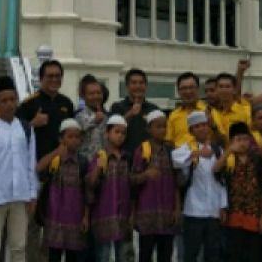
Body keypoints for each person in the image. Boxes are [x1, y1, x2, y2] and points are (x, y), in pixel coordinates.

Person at [0, 76, 39, 262]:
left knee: (19, 247)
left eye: (12, 99)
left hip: (20, 196)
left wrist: (32, 193)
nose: (10, 104)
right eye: (4, 101)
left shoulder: (26, 129)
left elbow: (30, 163)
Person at [16, 60, 75, 262]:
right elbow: (14, 135)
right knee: (32, 226)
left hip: (61, 175)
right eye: (49, 76)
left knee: (54, 225)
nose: (54, 79)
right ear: (41, 78)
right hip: (35, 174)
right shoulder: (28, 104)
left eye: (58, 76)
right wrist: (32, 123)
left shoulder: (67, 104)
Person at [170, 111, 226, 262]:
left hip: (213, 210)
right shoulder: (187, 148)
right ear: (191, 131)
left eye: (204, 125)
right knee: (191, 253)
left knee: (212, 253)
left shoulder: (218, 150)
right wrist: (198, 153)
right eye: (197, 127)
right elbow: (176, 160)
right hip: (193, 210)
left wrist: (223, 206)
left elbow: (222, 181)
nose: (201, 129)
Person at [37, 119, 89, 262]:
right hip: (54, 217)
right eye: (70, 136)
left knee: (73, 256)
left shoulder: (83, 162)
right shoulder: (54, 160)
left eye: (77, 137)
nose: (74, 140)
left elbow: (87, 192)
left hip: (75, 218)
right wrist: (56, 153)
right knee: (54, 255)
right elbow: (38, 167)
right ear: (61, 138)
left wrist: (86, 216)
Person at [130, 110, 178, 262]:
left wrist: (177, 208)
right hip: (147, 215)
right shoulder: (142, 150)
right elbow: (132, 181)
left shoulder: (172, 150)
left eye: (164, 126)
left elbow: (177, 182)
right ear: (148, 129)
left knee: (166, 255)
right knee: (145, 254)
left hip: (167, 215)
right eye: (158, 127)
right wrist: (145, 175)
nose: (162, 130)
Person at [88, 115, 133, 262]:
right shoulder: (100, 155)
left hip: (123, 217)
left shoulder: (127, 158)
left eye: (123, 133)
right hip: (103, 216)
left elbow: (132, 188)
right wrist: (99, 168)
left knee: (123, 256)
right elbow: (91, 184)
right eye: (116, 132)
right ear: (107, 133)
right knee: (103, 256)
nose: (120, 136)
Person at [221, 122, 262, 262]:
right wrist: (228, 151)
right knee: (234, 254)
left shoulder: (257, 160)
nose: (243, 143)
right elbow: (215, 170)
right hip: (233, 216)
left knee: (252, 255)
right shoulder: (229, 160)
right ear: (232, 141)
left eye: (245, 139)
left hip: (253, 215)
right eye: (238, 139)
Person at [110, 69, 161, 153]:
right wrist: (130, 114)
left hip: (148, 157)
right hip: (124, 157)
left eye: (141, 83)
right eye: (134, 83)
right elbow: (112, 132)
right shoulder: (117, 107)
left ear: (146, 85)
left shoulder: (154, 109)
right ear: (127, 86)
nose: (138, 86)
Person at [166, 73, 205, 147]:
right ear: (178, 91)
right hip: (179, 157)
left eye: (191, 87)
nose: (188, 91)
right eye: (184, 88)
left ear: (198, 89)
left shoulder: (209, 112)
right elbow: (169, 141)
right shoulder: (173, 115)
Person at [75, 77, 108, 162]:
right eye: (91, 94)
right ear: (83, 96)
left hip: (104, 163)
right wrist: (94, 121)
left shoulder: (106, 117)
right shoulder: (79, 116)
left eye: (99, 93)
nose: (96, 96)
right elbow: (77, 135)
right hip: (86, 163)